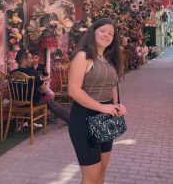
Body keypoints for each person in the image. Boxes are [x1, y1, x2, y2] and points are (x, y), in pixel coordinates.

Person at [68, 18, 127, 184]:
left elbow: (112, 86)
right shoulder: (83, 56)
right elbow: (73, 90)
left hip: (105, 121)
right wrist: (102, 107)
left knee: (101, 174)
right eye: (103, 31)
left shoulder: (108, 60)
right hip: (84, 120)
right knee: (90, 178)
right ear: (93, 31)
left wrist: (117, 106)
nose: (107, 35)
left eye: (111, 33)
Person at [13, 50, 70, 127]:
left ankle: (29, 121)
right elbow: (44, 90)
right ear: (24, 60)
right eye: (30, 59)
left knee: (47, 98)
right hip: (35, 100)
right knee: (48, 98)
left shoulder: (12, 73)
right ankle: (69, 119)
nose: (32, 60)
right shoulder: (32, 74)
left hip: (17, 101)